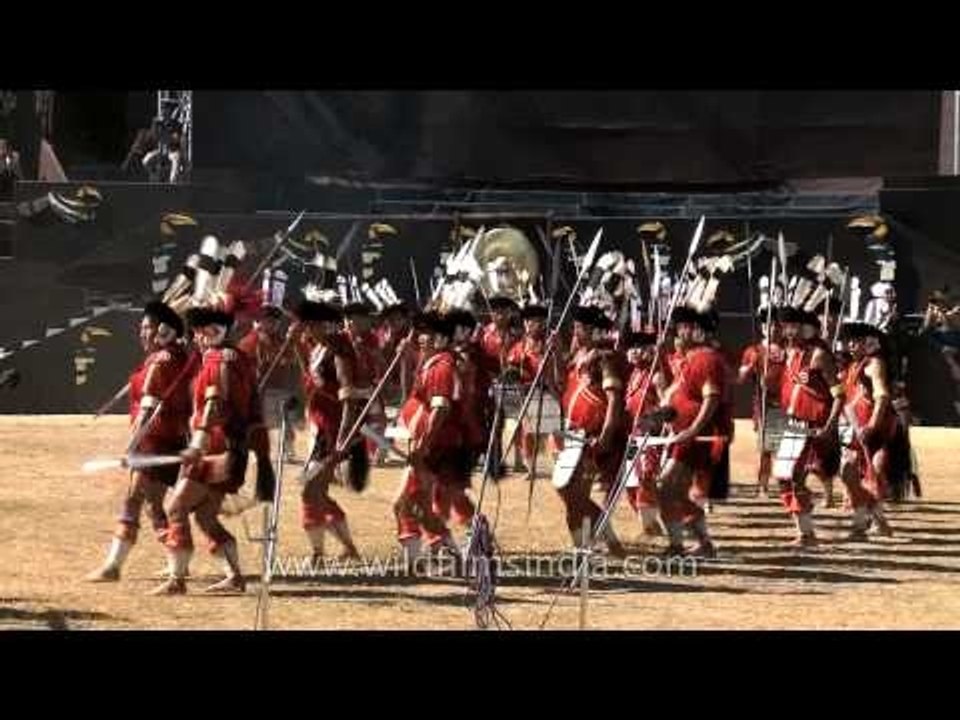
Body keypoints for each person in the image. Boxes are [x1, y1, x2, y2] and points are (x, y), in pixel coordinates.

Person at [86, 301, 194, 583]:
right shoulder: (177, 356)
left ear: (164, 330)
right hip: (169, 439)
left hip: (155, 442)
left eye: (147, 327)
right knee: (152, 505)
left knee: (133, 500)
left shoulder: (161, 361)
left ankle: (113, 566)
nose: (142, 333)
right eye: (141, 327)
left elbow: (149, 409)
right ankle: (176, 560)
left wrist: (131, 446)